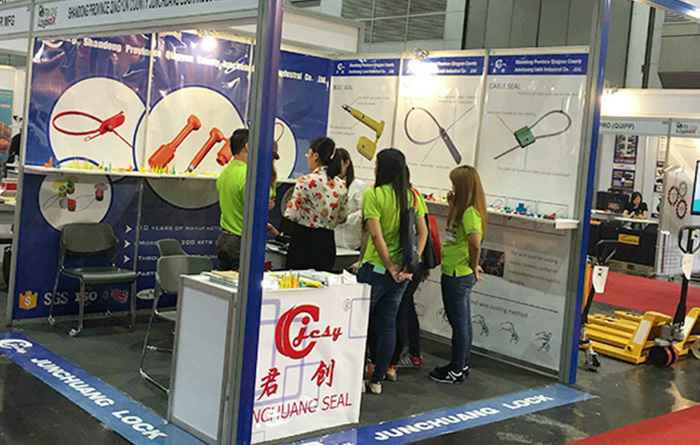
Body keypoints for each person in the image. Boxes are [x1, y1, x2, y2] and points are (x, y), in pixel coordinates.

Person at [358, 148, 428, 395]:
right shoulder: (413, 196)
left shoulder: (374, 194)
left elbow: (376, 236)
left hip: (376, 269)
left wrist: (389, 266)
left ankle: (358, 376)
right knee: (388, 324)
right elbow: (423, 233)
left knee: (361, 323)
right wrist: (411, 264)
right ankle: (377, 379)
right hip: (403, 275)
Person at [430, 165, 486, 384]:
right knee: (462, 322)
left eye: (455, 184)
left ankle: (457, 368)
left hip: (458, 274)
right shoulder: (462, 210)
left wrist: (474, 265)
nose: (451, 187)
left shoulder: (470, 213)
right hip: (454, 271)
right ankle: (461, 364)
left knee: (459, 323)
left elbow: (475, 243)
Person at [284, 137, 348, 272]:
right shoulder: (341, 185)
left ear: (315, 156)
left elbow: (291, 213)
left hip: (304, 240)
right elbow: (343, 217)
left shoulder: (305, 181)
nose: (307, 158)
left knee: (297, 281)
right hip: (327, 242)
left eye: (308, 154)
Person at [216, 129, 276, 270]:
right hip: (243, 242)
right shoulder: (250, 174)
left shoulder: (225, 172)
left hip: (225, 239)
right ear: (248, 146)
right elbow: (262, 205)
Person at [392, 167, 429, 369]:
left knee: (400, 309)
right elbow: (423, 231)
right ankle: (412, 352)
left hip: (405, 260)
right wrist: (416, 259)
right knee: (407, 306)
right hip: (414, 260)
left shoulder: (400, 196)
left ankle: (397, 357)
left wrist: (411, 261)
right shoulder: (415, 195)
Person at [334, 148, 368, 251]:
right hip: (335, 241)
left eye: (337, 163)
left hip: (353, 242)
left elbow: (364, 212)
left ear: (347, 163)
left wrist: (346, 219)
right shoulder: (331, 185)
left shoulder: (359, 186)